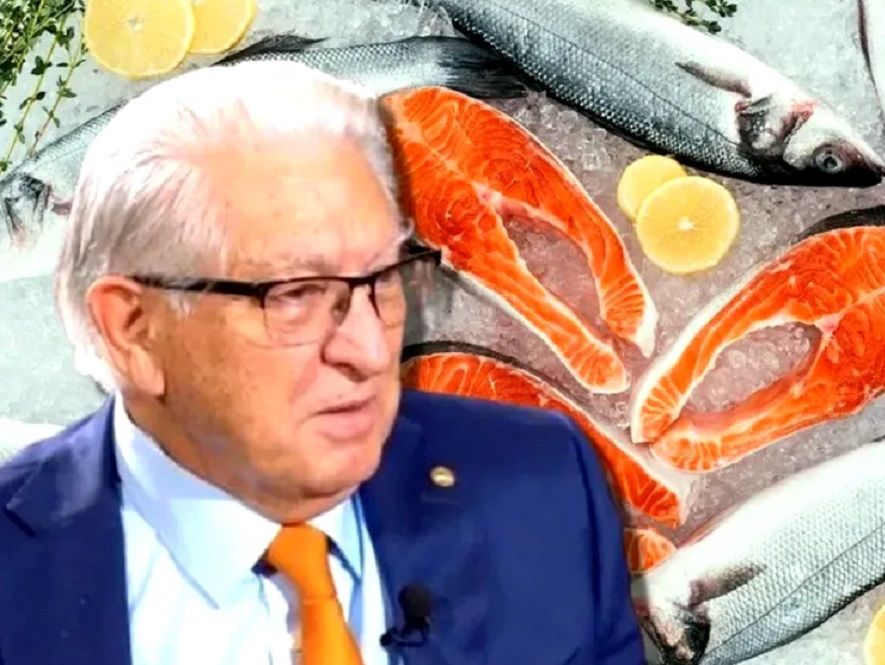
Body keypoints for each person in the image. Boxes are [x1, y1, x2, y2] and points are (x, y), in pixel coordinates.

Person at [0, 60, 645, 665]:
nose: (370, 351)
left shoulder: (544, 484)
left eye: (384, 278)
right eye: (295, 296)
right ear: (134, 331)